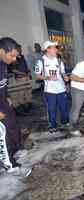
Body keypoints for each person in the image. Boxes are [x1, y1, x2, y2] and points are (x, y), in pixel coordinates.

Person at [0, 37, 31, 177]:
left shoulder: (4, 64)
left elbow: (3, 84)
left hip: (3, 101)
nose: (14, 60)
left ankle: (16, 148)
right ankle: (10, 166)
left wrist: (6, 97)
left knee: (13, 125)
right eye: (12, 55)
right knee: (3, 134)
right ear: (1, 51)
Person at [34, 41, 70, 133]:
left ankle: (65, 122)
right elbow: (37, 76)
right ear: (48, 49)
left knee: (64, 108)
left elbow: (62, 72)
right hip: (49, 90)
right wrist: (48, 77)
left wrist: (65, 76)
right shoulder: (41, 61)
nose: (56, 50)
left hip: (61, 88)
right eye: (54, 48)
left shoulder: (58, 60)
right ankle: (52, 125)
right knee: (51, 109)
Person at [9, 44, 32, 114]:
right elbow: (14, 70)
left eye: (21, 49)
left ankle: (29, 105)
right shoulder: (13, 58)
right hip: (20, 78)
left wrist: (28, 72)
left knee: (28, 92)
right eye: (19, 49)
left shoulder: (22, 57)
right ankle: (23, 108)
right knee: (21, 94)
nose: (21, 50)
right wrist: (23, 74)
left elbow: (25, 66)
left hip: (26, 77)